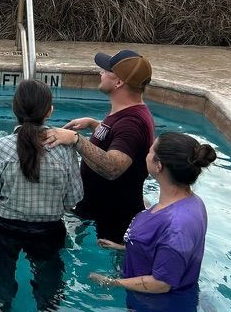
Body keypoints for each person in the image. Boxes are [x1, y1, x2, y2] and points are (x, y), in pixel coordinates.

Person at [89, 132, 217, 312]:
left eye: (150, 152)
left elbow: (162, 282)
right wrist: (124, 248)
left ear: (159, 166)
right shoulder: (187, 202)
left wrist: (112, 282)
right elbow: (160, 250)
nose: (145, 155)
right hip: (156, 304)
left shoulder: (177, 225)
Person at [0, 80, 83, 312]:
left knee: (0, 268)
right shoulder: (65, 150)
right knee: (49, 271)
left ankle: (1, 301)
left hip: (5, 228)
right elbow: (73, 199)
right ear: (49, 111)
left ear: (14, 109)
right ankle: (48, 305)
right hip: (48, 230)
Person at [44, 50, 155, 242]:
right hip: (99, 210)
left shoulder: (132, 123)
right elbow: (117, 138)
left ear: (119, 82)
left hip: (114, 220)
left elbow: (113, 167)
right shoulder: (125, 113)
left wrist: (76, 139)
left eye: (105, 71)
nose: (100, 73)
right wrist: (94, 124)